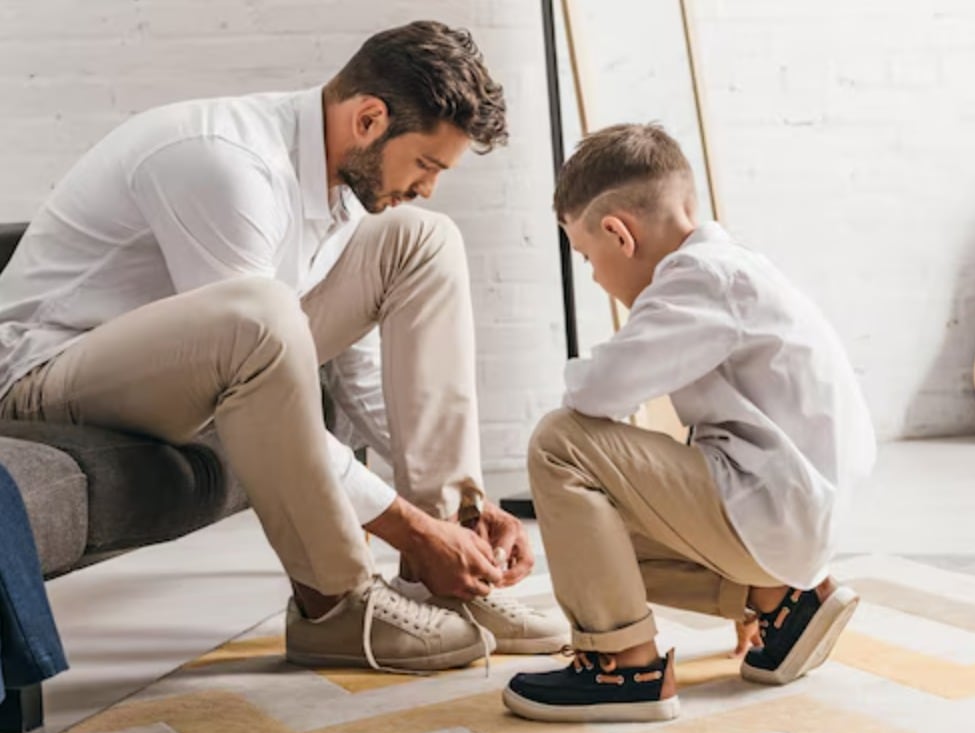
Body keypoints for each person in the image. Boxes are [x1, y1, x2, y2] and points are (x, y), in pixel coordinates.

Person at [0, 21, 566, 674]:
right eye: (427, 164)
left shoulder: (343, 177)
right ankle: (334, 602)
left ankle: (446, 570)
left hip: (190, 365)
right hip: (43, 378)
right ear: (370, 119)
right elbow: (256, 363)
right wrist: (406, 524)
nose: (429, 183)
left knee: (422, 239)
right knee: (261, 314)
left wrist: (456, 518)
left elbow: (348, 367)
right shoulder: (226, 167)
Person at [503, 124, 876, 722]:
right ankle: (779, 601)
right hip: (791, 514)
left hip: (779, 509)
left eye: (586, 256)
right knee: (591, 533)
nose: (595, 276)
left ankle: (625, 669)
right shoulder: (732, 269)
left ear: (618, 234)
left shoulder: (701, 277)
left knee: (559, 442)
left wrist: (585, 375)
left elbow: (596, 393)